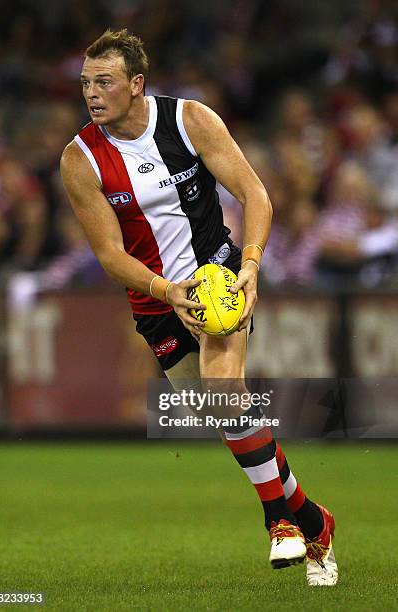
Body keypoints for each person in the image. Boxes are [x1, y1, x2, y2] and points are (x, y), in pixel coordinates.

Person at [60, 28, 338, 586]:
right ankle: (313, 517)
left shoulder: (190, 121)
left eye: (105, 81)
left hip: (217, 280)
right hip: (157, 300)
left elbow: (255, 194)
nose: (92, 92)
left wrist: (252, 267)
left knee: (223, 393)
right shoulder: (80, 159)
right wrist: (167, 293)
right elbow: (110, 256)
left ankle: (279, 521)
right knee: (225, 419)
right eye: (87, 82)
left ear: (136, 85)